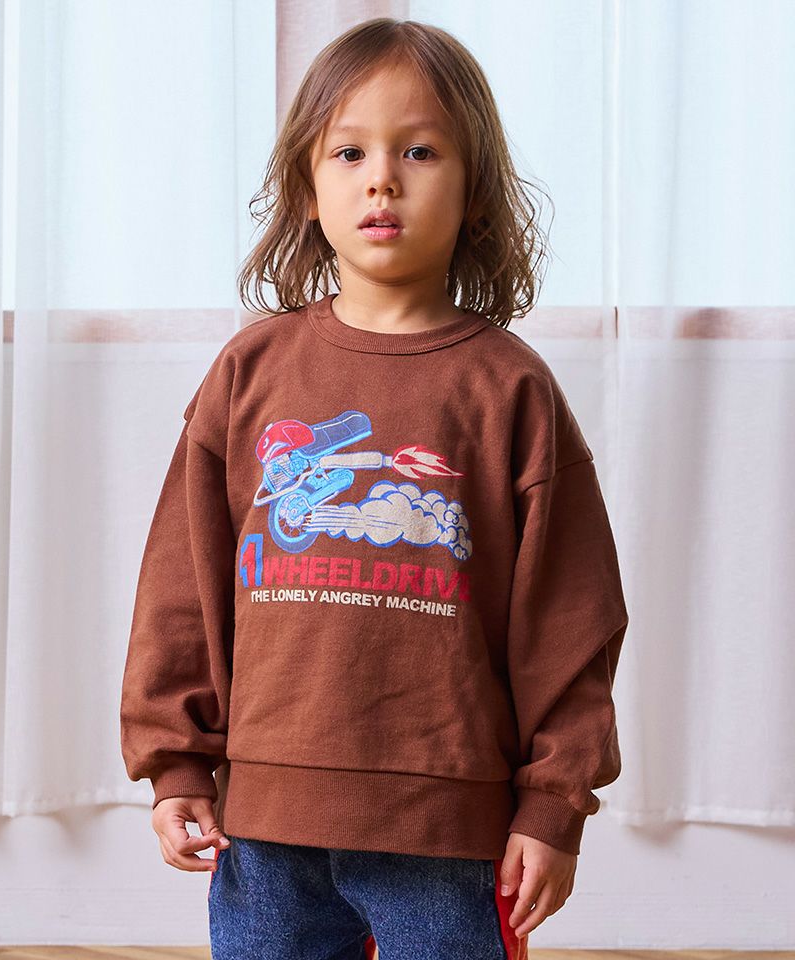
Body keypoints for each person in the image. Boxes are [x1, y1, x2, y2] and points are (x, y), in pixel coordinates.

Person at [120, 16, 629, 960]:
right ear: (307, 188)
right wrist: (176, 761)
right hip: (264, 822)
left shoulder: (509, 389)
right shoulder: (249, 373)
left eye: (420, 151)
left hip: (446, 831)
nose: (382, 178)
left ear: (475, 190)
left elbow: (571, 621)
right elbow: (182, 587)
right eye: (349, 152)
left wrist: (553, 804)